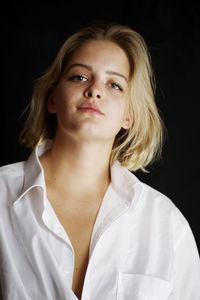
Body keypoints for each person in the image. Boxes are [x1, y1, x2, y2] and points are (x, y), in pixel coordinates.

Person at [0, 21, 199, 300]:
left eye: (115, 85)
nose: (95, 90)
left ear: (129, 115)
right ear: (53, 98)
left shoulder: (166, 225)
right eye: (79, 77)